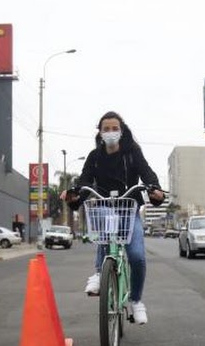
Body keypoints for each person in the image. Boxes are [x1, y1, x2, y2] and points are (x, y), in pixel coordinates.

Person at [61, 111, 164, 325]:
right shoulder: (94, 156)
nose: (110, 132)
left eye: (114, 128)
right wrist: (74, 195)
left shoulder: (133, 152)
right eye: (105, 129)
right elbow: (85, 182)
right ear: (99, 133)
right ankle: (100, 273)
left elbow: (147, 174)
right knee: (106, 223)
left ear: (122, 130)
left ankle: (136, 301)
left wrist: (155, 190)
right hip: (104, 207)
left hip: (129, 208)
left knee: (137, 256)